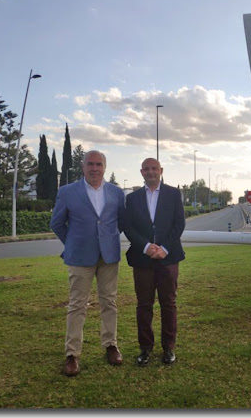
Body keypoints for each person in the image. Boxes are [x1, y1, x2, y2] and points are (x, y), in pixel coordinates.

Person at [50, 150, 125, 377]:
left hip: (109, 257)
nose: (94, 168)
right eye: (90, 164)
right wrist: (73, 243)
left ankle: (110, 345)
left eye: (99, 164)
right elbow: (57, 223)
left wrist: (106, 241)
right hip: (79, 257)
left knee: (109, 302)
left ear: (105, 167)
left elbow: (119, 222)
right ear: (82, 167)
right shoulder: (67, 192)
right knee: (77, 305)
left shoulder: (116, 193)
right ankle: (72, 354)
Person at [124, 158, 185, 366]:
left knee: (168, 303)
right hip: (142, 259)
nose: (151, 172)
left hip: (169, 258)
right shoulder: (132, 198)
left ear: (161, 171)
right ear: (141, 172)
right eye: (147, 169)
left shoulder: (173, 194)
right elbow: (128, 227)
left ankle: (168, 348)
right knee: (144, 305)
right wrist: (146, 247)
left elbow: (179, 224)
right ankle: (145, 348)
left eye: (154, 168)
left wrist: (164, 248)